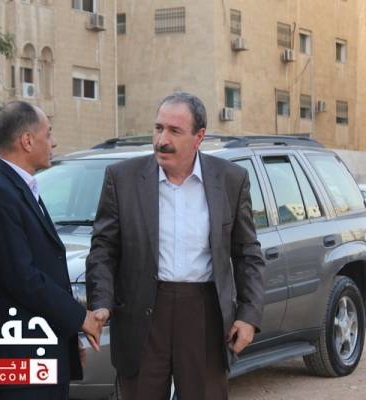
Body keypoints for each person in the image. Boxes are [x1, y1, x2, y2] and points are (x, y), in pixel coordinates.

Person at [86, 92, 265, 400]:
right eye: (158, 128)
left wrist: (248, 315)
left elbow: (248, 253)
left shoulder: (230, 180)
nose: (162, 140)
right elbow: (103, 249)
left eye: (174, 131)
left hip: (205, 315)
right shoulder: (123, 178)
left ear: (199, 137)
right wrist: (101, 301)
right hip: (142, 316)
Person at [0, 101, 103, 400]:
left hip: (44, 347)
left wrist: (67, 339)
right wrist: (80, 318)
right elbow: (22, 278)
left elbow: (47, 266)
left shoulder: (19, 186)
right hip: (22, 358)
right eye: (48, 133)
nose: (53, 142)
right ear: (27, 141)